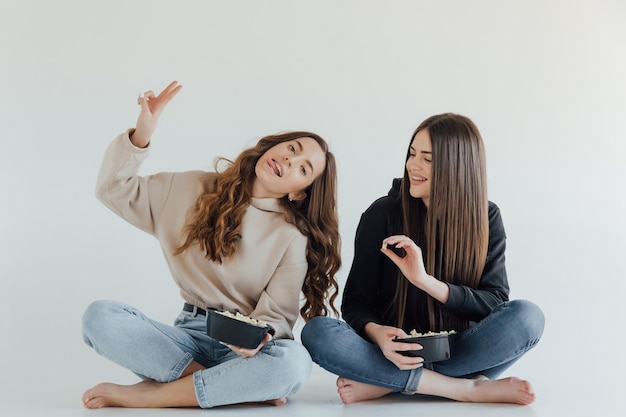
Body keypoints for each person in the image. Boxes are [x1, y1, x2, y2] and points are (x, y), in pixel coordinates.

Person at [81, 81, 341, 409]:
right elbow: (113, 189)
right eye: (292, 149)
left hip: (243, 348)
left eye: (303, 168)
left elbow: (276, 316)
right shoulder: (191, 187)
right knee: (99, 318)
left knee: (293, 364)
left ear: (299, 192)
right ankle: (222, 386)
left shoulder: (291, 236)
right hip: (187, 338)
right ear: (272, 146)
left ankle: (155, 395)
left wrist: (258, 343)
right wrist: (141, 135)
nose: (289, 161)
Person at [301, 113, 545, 406]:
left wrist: (425, 281)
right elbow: (355, 303)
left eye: (427, 159)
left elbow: (494, 303)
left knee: (528, 317)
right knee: (318, 332)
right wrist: (377, 334)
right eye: (412, 154)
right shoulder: (382, 214)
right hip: (392, 352)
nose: (412, 166)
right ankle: (465, 389)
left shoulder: (486, 217)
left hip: (458, 350)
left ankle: (389, 383)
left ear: (457, 166)